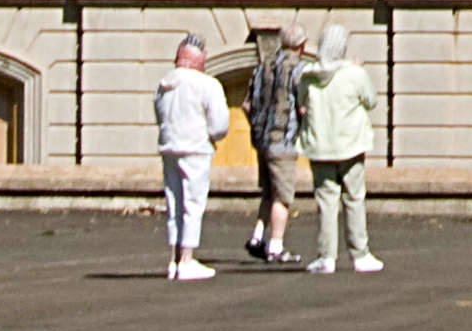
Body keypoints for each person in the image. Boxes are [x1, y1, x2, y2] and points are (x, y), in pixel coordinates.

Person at [293, 25, 379, 273]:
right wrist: (358, 69)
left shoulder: (307, 76)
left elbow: (301, 102)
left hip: (320, 145)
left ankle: (326, 256)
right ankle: (360, 253)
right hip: (350, 144)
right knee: (354, 198)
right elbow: (370, 101)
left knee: (326, 201)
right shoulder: (354, 74)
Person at [151, 34, 230, 282]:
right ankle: (187, 259)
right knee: (193, 205)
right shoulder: (207, 85)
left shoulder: (163, 85)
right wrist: (210, 136)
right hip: (195, 147)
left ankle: (174, 259)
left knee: (174, 204)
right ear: (199, 61)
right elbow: (220, 125)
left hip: (169, 146)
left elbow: (159, 115)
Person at [244, 27, 309, 265]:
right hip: (283, 140)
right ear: (301, 45)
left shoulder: (262, 67)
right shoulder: (299, 70)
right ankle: (276, 246)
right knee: (283, 197)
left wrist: (257, 126)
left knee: (269, 193)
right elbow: (302, 107)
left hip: (262, 139)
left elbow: (246, 105)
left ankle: (257, 236)